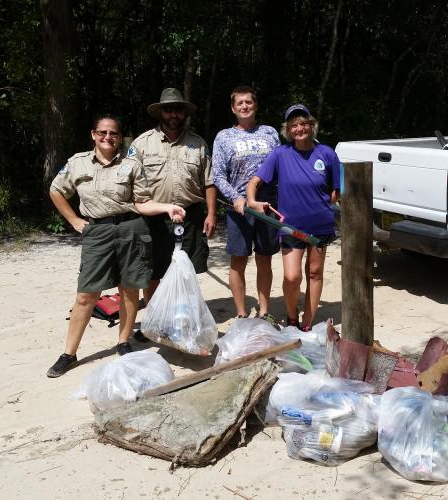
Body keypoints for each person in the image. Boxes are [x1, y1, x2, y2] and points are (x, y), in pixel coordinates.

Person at [46, 114, 185, 378]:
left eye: (113, 134)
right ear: (93, 135)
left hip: (131, 229)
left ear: (120, 137)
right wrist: (74, 220)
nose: (108, 138)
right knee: (86, 295)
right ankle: (69, 353)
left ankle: (123, 341)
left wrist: (168, 207)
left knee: (130, 289)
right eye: (103, 133)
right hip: (97, 232)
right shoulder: (77, 163)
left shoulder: (132, 165)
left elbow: (142, 202)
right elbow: (56, 190)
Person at [246, 104, 340, 331]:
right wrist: (251, 201)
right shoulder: (280, 154)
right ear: (288, 130)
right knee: (292, 276)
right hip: (291, 227)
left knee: (315, 273)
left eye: (303, 123)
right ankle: (291, 317)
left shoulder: (327, 153)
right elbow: (255, 182)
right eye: (294, 125)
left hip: (320, 226)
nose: (299, 128)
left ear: (311, 125)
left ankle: (307, 323)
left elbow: (337, 191)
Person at [127, 88, 217, 309]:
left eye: (178, 110)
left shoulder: (198, 144)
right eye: (168, 110)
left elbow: (209, 181)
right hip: (154, 218)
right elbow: (128, 183)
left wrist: (212, 214)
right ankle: (154, 320)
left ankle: (182, 318)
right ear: (160, 113)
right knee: (153, 271)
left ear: (184, 113)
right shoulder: (141, 144)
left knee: (187, 271)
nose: (173, 114)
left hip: (191, 216)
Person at [212, 86, 280, 321]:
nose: (244, 106)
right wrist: (236, 198)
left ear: (256, 105)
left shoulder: (270, 133)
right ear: (233, 108)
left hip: (267, 206)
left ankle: (264, 311)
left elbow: (280, 167)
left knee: (264, 258)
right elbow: (218, 175)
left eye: (248, 102)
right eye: (239, 103)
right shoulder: (224, 137)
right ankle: (241, 313)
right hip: (238, 208)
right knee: (238, 260)